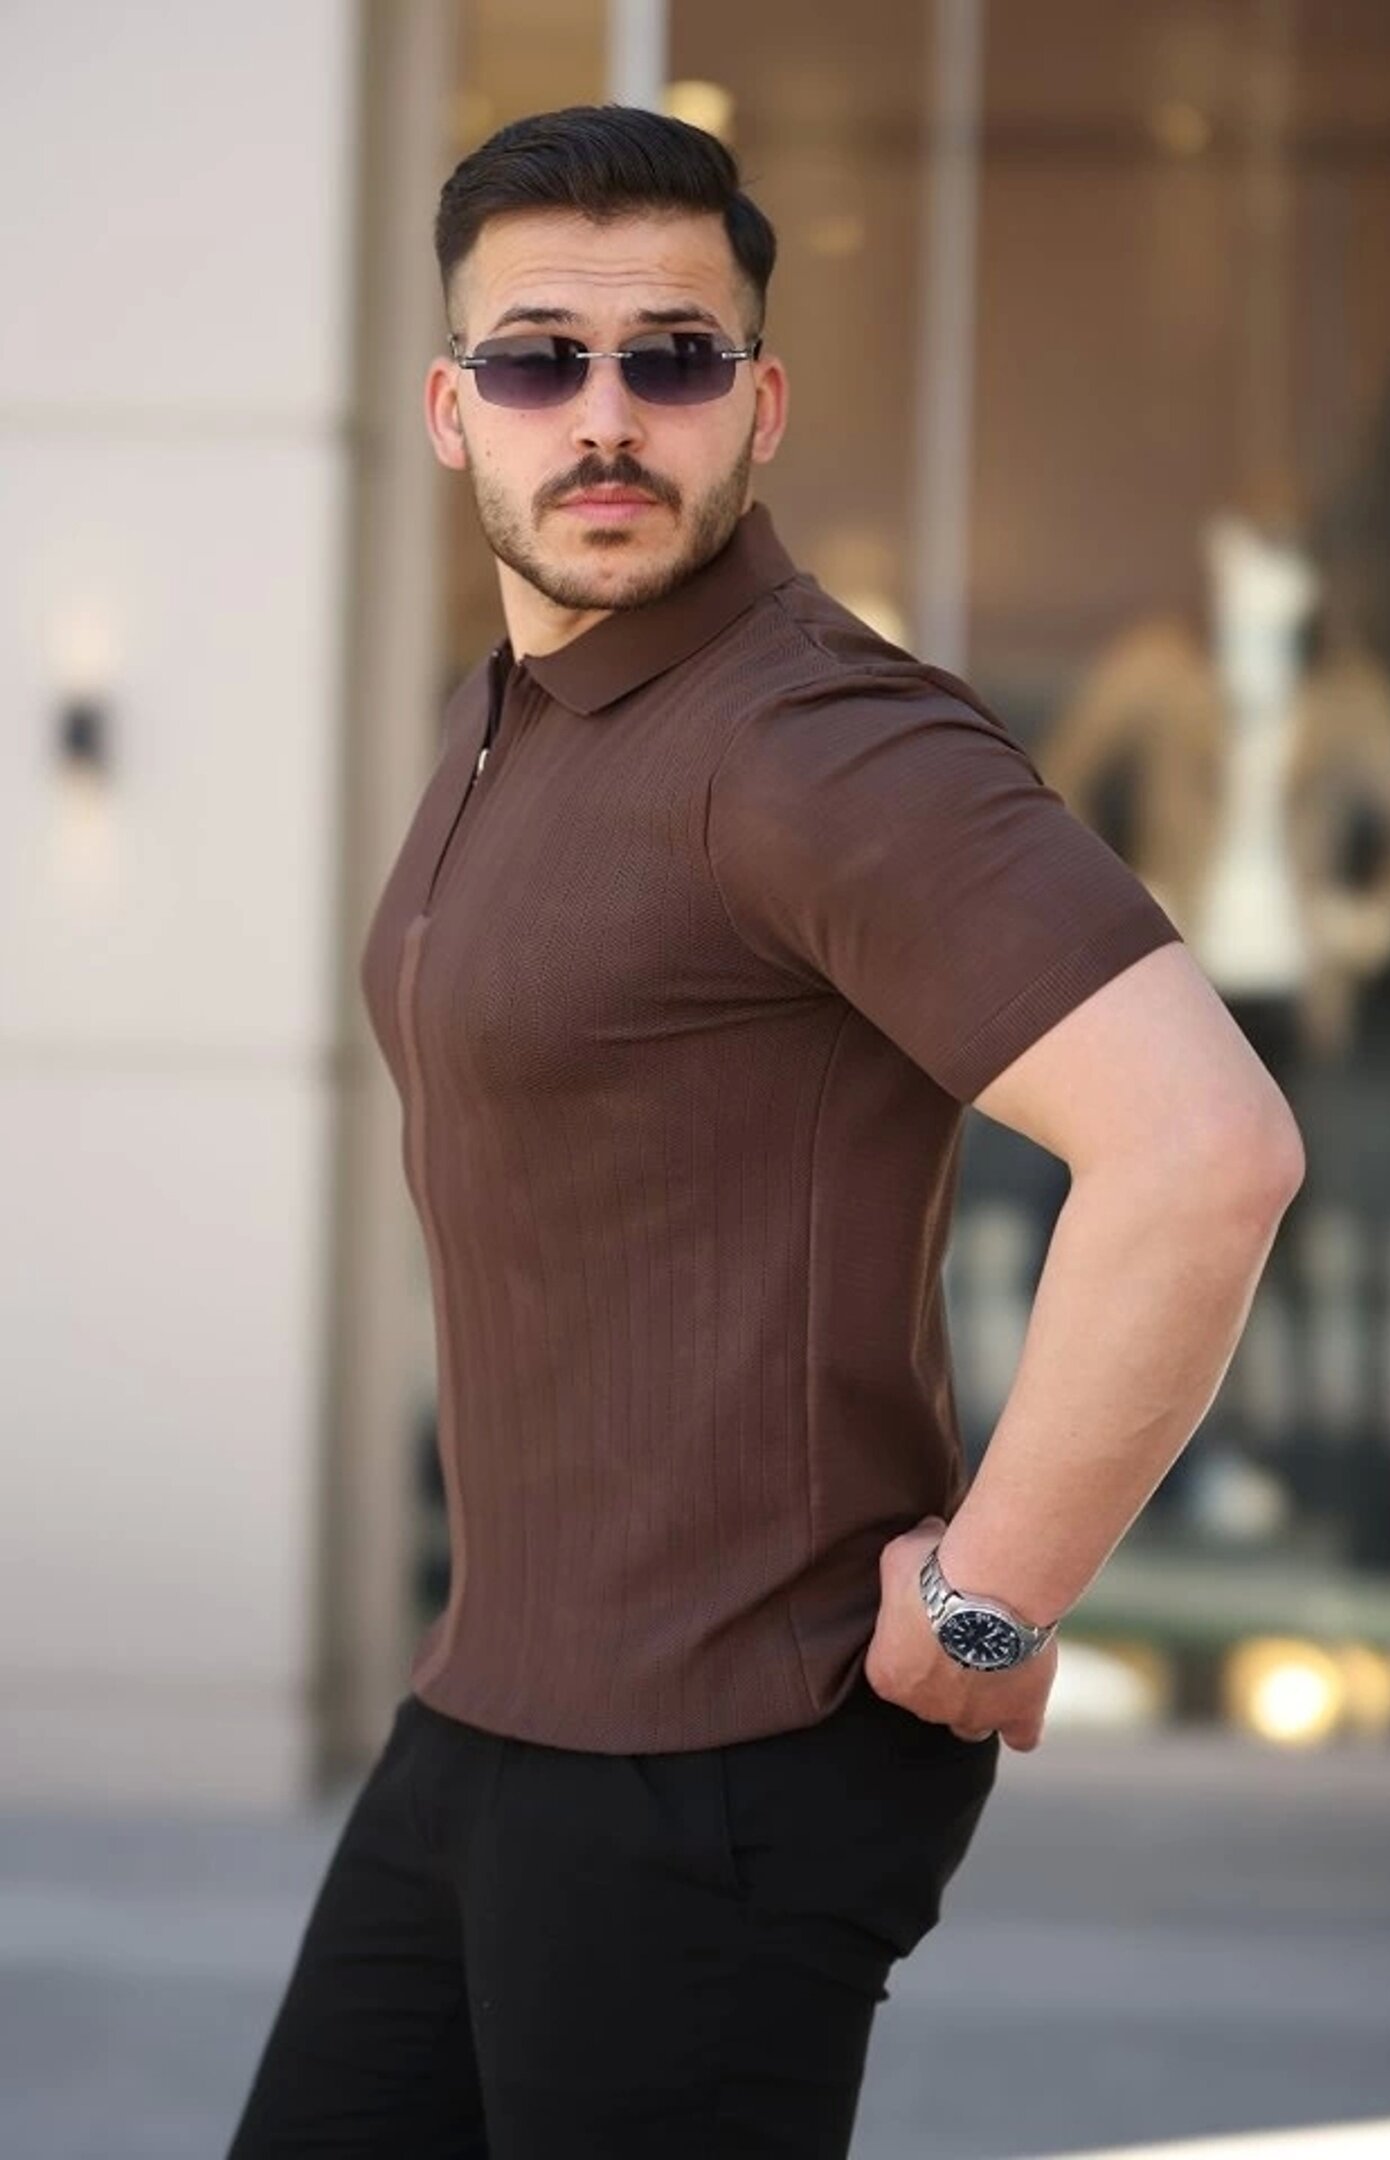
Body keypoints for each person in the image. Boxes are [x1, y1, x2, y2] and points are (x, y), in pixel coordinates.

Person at [228, 104, 1304, 2159]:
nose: (604, 416)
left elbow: (1206, 1150)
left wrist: (996, 1596)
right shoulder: (516, 711)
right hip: (490, 1714)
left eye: (673, 358)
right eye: (538, 360)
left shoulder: (821, 740)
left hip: (721, 1765)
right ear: (453, 413)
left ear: (762, 402)